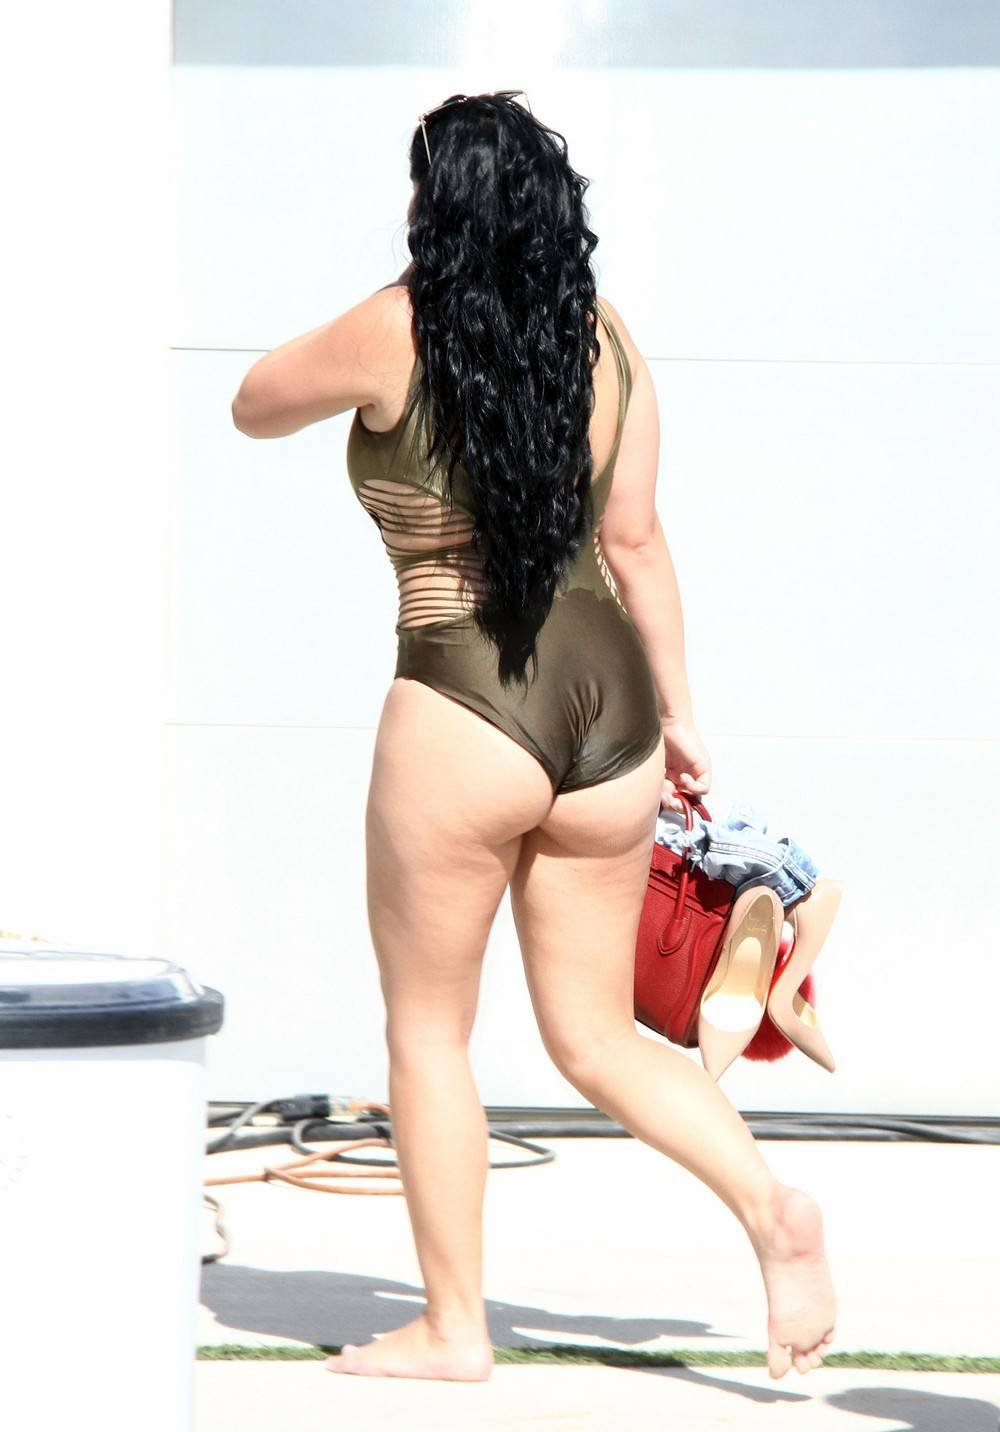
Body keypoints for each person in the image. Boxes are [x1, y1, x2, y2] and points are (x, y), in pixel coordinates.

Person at [231, 90, 836, 1385]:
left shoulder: (395, 327)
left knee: (429, 1031)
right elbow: (636, 542)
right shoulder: (605, 339)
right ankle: (771, 1209)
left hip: (464, 699)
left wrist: (398, 294)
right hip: (612, 708)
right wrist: (680, 718)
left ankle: (453, 1329)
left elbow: (254, 402)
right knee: (599, 1039)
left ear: (434, 205)